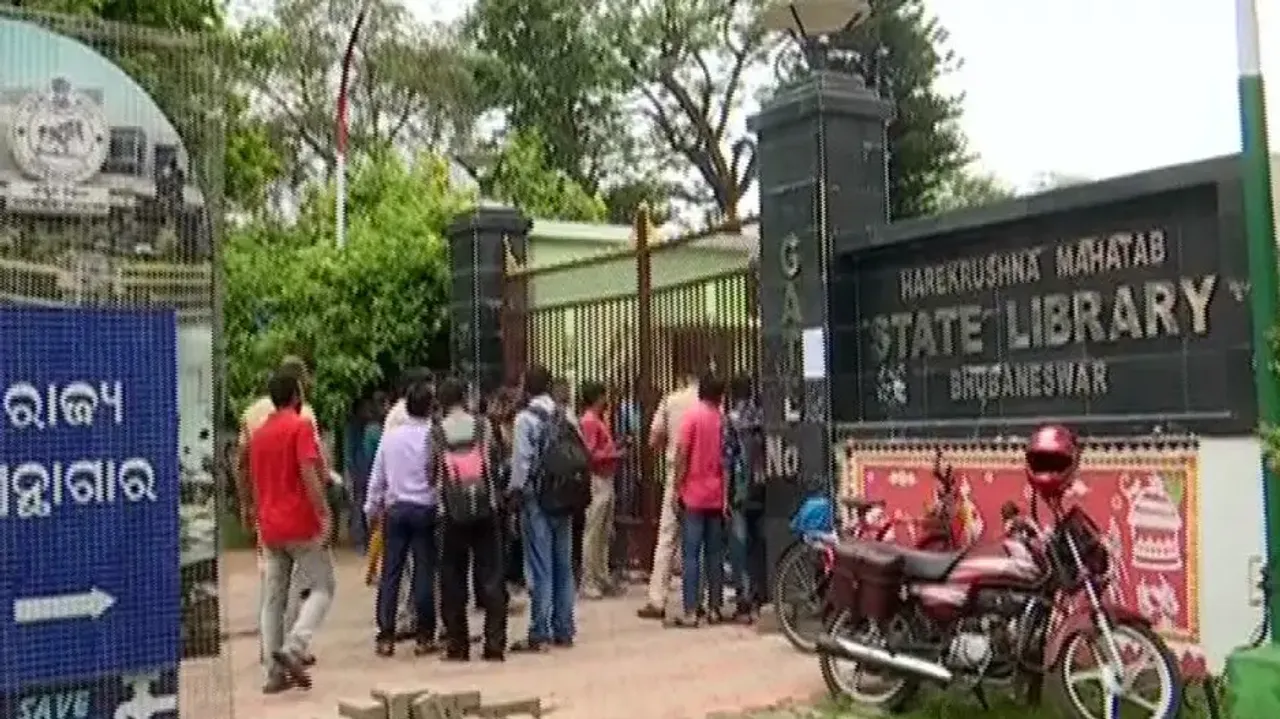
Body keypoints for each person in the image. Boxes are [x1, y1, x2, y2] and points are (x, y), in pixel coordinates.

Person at [246, 370, 335, 692]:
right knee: (323, 586)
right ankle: (295, 646)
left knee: (274, 599)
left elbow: (255, 481)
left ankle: (274, 674)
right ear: (296, 396)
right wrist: (324, 513)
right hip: (300, 522)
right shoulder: (301, 426)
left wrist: (257, 520)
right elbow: (308, 471)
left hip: (270, 525)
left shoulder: (258, 435)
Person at [434, 378, 509, 661]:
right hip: (485, 507)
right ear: (465, 398)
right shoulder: (483, 426)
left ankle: (458, 645)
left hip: (451, 511)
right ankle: (494, 644)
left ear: (441, 402)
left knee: (452, 578)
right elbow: (496, 459)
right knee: (491, 575)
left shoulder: (437, 432)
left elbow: (432, 471)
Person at [364, 380, 439, 657]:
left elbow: (378, 477)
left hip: (395, 510)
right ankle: (424, 635)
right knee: (423, 572)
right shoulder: (433, 436)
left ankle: (385, 635)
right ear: (430, 407)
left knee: (391, 573)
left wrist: (371, 508)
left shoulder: (391, 437)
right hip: (425, 509)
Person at [509, 365, 577, 652]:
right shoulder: (566, 414)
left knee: (540, 565)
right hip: (565, 496)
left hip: (537, 499)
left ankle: (540, 630)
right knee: (563, 564)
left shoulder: (525, 419)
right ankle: (564, 627)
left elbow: (522, 462)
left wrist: (515, 493)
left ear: (526, 387)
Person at [637, 372, 700, 620]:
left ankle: (657, 599)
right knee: (702, 538)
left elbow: (653, 440)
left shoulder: (670, 401)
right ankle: (700, 598)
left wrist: (670, 444)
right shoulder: (708, 403)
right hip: (704, 475)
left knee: (667, 537)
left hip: (676, 473)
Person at [670, 374, 728, 627]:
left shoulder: (692, 417)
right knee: (715, 554)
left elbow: (682, 453)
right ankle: (715, 608)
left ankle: (691, 610)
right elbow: (727, 459)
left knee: (691, 555)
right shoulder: (722, 420)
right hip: (716, 495)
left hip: (693, 495)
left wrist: (677, 487)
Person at [725, 375, 765, 622]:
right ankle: (761, 594)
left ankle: (744, 600)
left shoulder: (731, 420)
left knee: (739, 545)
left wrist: (725, 494)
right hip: (761, 487)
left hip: (740, 491)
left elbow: (728, 458)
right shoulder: (762, 416)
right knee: (758, 543)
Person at [578, 381, 622, 599]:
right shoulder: (589, 421)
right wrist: (614, 454)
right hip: (597, 479)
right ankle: (589, 580)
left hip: (605, 478)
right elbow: (590, 454)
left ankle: (601, 575)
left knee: (603, 532)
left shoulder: (598, 420)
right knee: (593, 532)